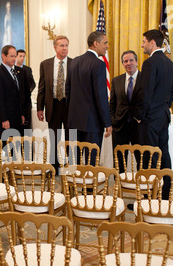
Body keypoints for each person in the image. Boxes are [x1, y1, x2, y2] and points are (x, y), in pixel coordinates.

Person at [137, 29, 173, 199]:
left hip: (150, 119)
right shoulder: (170, 64)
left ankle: (148, 199)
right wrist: (164, 109)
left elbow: (145, 93)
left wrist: (139, 115)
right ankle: (166, 194)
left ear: (152, 42)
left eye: (144, 41)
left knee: (149, 159)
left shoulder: (150, 63)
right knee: (164, 156)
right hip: (163, 116)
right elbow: (172, 93)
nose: (142, 45)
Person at [66, 31, 112, 166]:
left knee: (75, 162)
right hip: (92, 123)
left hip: (74, 121)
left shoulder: (74, 62)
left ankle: (73, 187)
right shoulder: (98, 64)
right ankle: (90, 188)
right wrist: (107, 122)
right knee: (91, 163)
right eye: (105, 43)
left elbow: (68, 91)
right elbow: (101, 96)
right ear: (95, 43)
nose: (107, 46)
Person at [37, 35, 72, 173]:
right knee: (54, 138)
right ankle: (54, 167)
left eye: (66, 45)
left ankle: (70, 165)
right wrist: (40, 108)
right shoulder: (45, 64)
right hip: (53, 106)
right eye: (62, 45)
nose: (64, 48)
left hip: (69, 107)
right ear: (55, 47)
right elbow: (42, 88)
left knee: (70, 137)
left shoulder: (75, 63)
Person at [109, 50, 143, 172]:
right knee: (119, 159)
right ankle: (119, 186)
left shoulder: (145, 79)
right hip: (120, 126)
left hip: (139, 126)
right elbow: (112, 103)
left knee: (141, 159)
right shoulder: (116, 80)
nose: (128, 63)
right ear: (123, 64)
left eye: (131, 60)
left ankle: (142, 186)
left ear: (137, 62)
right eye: (125, 61)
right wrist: (113, 120)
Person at [0, 45, 29, 141]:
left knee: (18, 148)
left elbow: (21, 95)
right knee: (8, 151)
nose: (14, 59)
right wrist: (4, 119)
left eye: (15, 56)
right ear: (3, 56)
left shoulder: (18, 72)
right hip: (6, 120)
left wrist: (22, 114)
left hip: (17, 118)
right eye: (12, 56)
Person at [15, 49, 35, 131]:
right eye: (20, 56)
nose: (22, 58)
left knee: (27, 128)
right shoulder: (13, 69)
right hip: (17, 102)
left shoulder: (27, 69)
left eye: (24, 56)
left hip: (26, 102)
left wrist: (27, 91)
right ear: (16, 57)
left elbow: (32, 83)